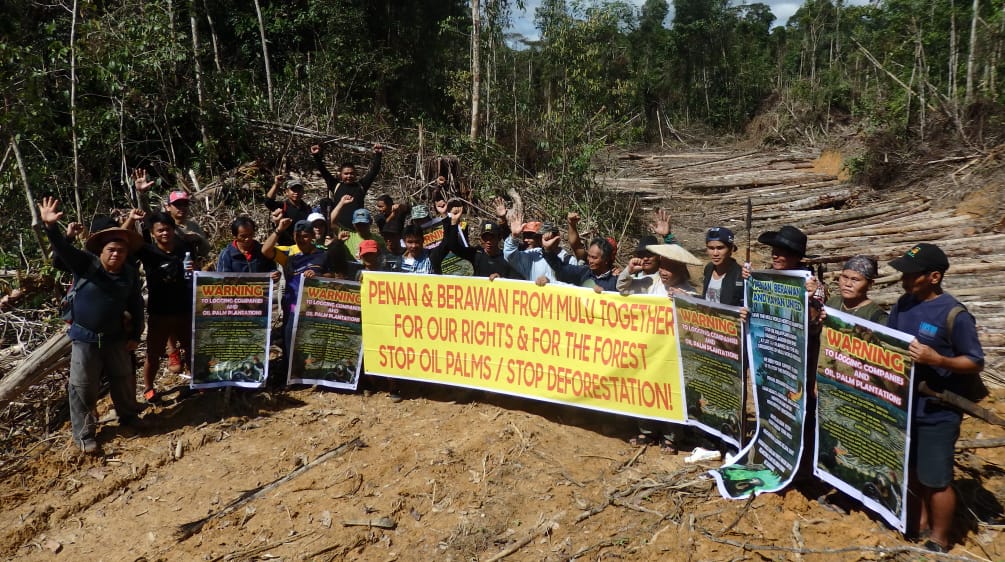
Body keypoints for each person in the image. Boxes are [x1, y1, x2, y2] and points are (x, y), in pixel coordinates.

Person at [887, 243, 984, 553]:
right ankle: (918, 524)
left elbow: (975, 361)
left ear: (933, 277)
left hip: (937, 409)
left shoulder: (954, 314)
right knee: (912, 469)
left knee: (936, 477)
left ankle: (939, 539)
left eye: (911, 275)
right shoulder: (903, 304)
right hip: (905, 405)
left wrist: (937, 359)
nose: (903, 280)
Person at [38, 197, 146, 455]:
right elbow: (62, 251)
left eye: (121, 250)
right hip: (85, 338)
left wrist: (137, 333)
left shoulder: (129, 274)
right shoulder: (86, 264)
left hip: (116, 337)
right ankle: (84, 434)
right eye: (111, 250)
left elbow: (136, 304)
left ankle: (129, 418)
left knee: (122, 380)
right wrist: (51, 228)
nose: (116, 254)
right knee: (82, 386)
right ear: (101, 250)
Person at [122, 210, 197, 401]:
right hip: (159, 313)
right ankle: (148, 388)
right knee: (153, 355)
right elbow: (120, 238)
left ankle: (196, 382)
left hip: (185, 310)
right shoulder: (148, 252)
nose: (165, 233)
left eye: (168, 229)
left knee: (191, 349)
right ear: (153, 233)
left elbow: (196, 271)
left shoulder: (186, 248)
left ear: (174, 229)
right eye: (160, 230)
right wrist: (131, 219)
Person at [263, 218, 329, 371]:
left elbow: (335, 276)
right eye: (297, 236)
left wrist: (319, 276)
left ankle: (312, 374)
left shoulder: (323, 254)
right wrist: (279, 229)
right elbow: (266, 250)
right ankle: (289, 376)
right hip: (292, 306)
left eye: (305, 236)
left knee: (313, 341)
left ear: (313, 236)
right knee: (289, 341)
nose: (301, 239)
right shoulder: (288, 253)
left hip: (315, 308)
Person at [312, 143, 383, 228]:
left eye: (352, 173)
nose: (349, 176)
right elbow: (323, 171)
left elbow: (373, 172)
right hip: (339, 229)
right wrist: (316, 155)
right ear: (341, 175)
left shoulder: (361, 186)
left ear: (356, 174)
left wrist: (378, 154)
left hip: (358, 230)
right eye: (346, 173)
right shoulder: (336, 186)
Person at [825, 255, 887, 324]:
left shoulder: (876, 317)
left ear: (870, 284)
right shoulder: (832, 303)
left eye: (855, 280)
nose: (848, 284)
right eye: (845, 277)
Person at [544, 235, 619, 291]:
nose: (590, 260)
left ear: (606, 260)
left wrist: (604, 295)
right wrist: (548, 250)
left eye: (594, 257)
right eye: (589, 256)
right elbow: (561, 269)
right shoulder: (583, 272)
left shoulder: (616, 281)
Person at [701, 227, 744, 306]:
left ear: (731, 249)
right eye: (711, 248)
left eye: (720, 248)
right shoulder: (708, 268)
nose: (715, 253)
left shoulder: (741, 275)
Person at [264, 177, 313, 246]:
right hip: (286, 246)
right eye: (293, 190)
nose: (296, 192)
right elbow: (268, 202)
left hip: (304, 246)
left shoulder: (307, 208)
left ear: (303, 192)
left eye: (299, 190)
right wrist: (276, 185)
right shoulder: (282, 206)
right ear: (286, 192)